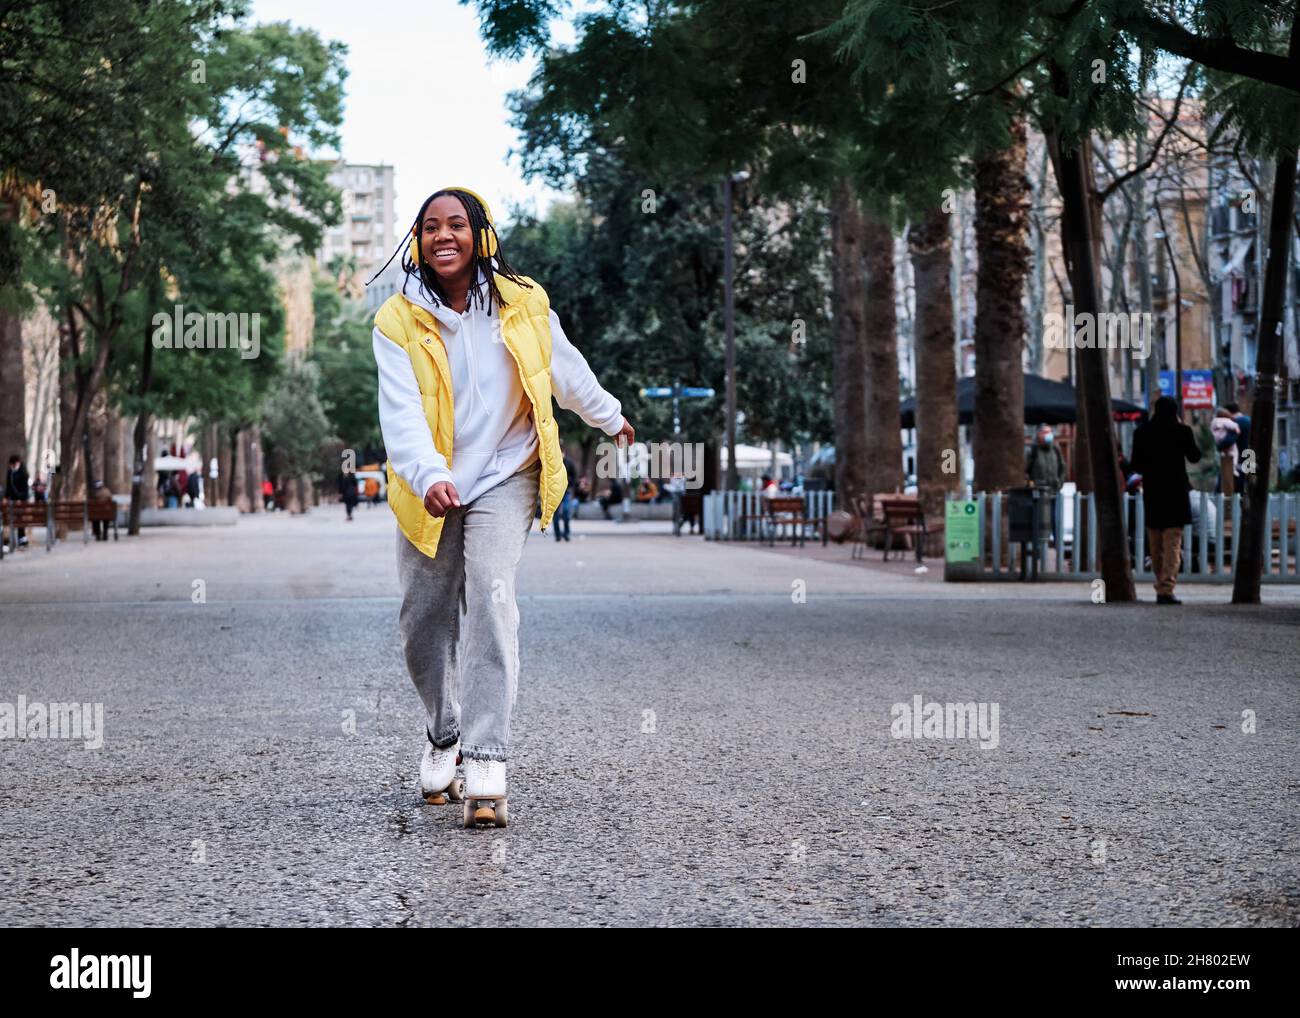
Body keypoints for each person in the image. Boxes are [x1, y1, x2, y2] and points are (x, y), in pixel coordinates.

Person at [370, 186, 632, 825]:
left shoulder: (523, 304)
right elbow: (400, 417)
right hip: (430, 485)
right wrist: (429, 474)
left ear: (479, 232)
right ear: (418, 242)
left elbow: (562, 372)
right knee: (423, 618)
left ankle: (488, 758)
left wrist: (611, 416)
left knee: (490, 593)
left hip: (508, 474)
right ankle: (443, 732)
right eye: (430, 227)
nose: (443, 236)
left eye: (456, 224)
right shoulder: (396, 321)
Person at [1130, 395, 1202, 604]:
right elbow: (1195, 456)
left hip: (1153, 492)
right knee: (1172, 544)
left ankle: (1161, 584)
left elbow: (1136, 465)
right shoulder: (1182, 431)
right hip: (1176, 493)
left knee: (1155, 543)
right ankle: (1166, 588)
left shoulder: (1142, 432)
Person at [1026, 425, 1066, 541]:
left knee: (1055, 519)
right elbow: (1026, 470)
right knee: (1040, 520)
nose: (1048, 434)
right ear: (1039, 435)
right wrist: (1032, 484)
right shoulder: (1033, 450)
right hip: (1038, 492)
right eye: (1045, 432)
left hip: (1053, 491)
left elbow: (1062, 467)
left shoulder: (1055, 449)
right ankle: (1039, 549)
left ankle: (1058, 546)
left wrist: (1059, 483)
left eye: (1049, 432)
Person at [1210, 408, 1240, 495]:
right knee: (1234, 452)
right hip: (1224, 438)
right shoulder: (1225, 420)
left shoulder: (1213, 422)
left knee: (1223, 456)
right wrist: (1237, 429)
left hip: (1218, 441)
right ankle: (1233, 468)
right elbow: (1233, 425)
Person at [6, 453, 31, 547]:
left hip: (21, 500)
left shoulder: (23, 473)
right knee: (13, 518)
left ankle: (22, 539)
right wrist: (6, 497)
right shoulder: (10, 472)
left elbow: (25, 490)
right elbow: (9, 487)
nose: (12, 467)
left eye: (13, 465)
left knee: (20, 519)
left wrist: (21, 499)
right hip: (12, 500)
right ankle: (11, 539)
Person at [553, 454, 577, 542]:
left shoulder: (569, 463)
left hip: (567, 490)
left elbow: (574, 476)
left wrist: (570, 484)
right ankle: (557, 534)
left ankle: (566, 533)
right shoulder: (554, 461)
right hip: (555, 491)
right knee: (555, 514)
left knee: (566, 511)